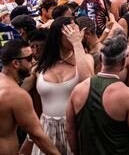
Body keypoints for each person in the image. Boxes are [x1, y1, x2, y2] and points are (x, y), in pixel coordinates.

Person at [66, 36, 129, 155]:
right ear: (123, 62)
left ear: (101, 58)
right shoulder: (128, 96)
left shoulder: (78, 90)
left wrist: (77, 152)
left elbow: (69, 129)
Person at [29, 17, 93, 155]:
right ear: (58, 36)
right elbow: (23, 93)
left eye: (76, 30)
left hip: (75, 127)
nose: (74, 34)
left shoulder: (86, 59)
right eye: (69, 31)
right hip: (47, 128)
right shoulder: (39, 67)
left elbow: (88, 82)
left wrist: (77, 44)